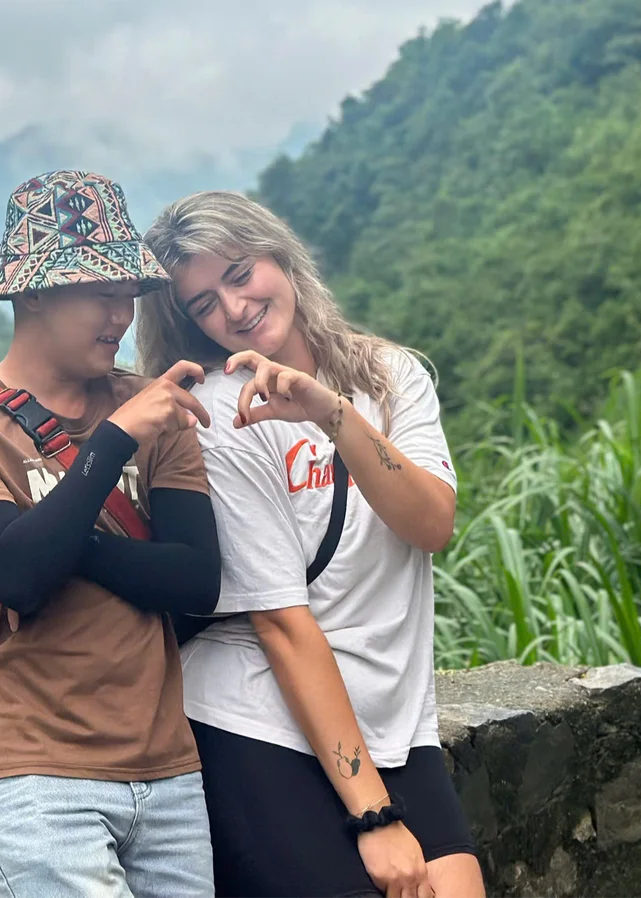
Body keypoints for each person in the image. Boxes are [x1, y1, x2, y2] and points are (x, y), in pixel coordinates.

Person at [133, 190, 487, 898]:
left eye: (240, 273)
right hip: (258, 721)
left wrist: (332, 414)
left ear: (280, 256)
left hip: (392, 715)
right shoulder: (216, 419)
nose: (233, 308)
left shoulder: (387, 375)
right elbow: (280, 623)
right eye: (203, 303)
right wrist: (373, 815)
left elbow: (432, 523)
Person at [0, 170, 222, 898]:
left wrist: (45, 542)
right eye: (100, 293)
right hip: (29, 772)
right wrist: (108, 446)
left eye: (129, 296)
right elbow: (19, 579)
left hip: (167, 771)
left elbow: (197, 583)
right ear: (35, 293)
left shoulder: (155, 406)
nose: (121, 316)